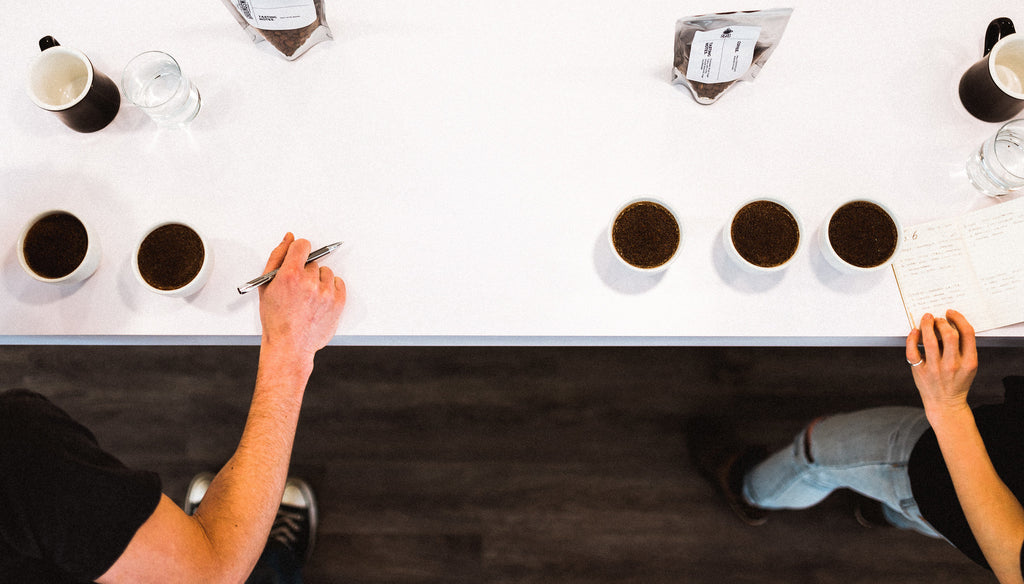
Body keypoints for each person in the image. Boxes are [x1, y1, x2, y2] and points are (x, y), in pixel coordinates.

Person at [0, 233, 347, 584]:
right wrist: (289, 348)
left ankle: (194, 536)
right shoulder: (15, 447)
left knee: (203, 537)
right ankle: (270, 556)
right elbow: (211, 575)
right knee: (251, 565)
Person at [691, 309, 1024, 584]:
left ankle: (749, 489)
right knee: (929, 515)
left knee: (816, 451)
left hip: (948, 466)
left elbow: (1014, 562)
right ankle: (881, 511)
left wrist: (949, 408)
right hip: (968, 509)